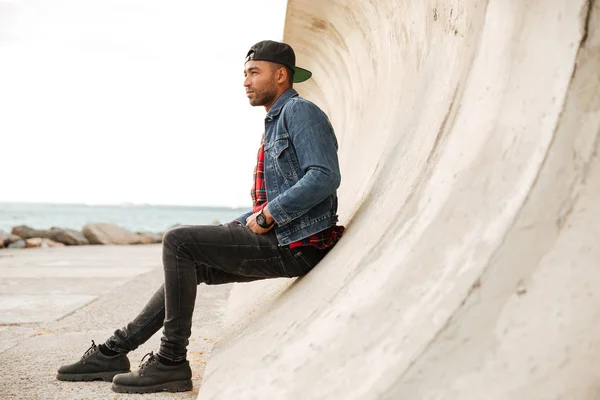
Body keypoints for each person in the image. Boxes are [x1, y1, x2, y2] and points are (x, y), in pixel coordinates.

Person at [56, 40, 345, 394]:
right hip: (284, 237)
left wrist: (269, 215)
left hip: (295, 243)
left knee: (178, 240)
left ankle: (171, 361)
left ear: (281, 75)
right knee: (191, 262)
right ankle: (114, 351)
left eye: (255, 72)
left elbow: (324, 175)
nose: (246, 81)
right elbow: (273, 194)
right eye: (244, 74)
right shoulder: (275, 120)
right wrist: (247, 219)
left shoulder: (300, 112)